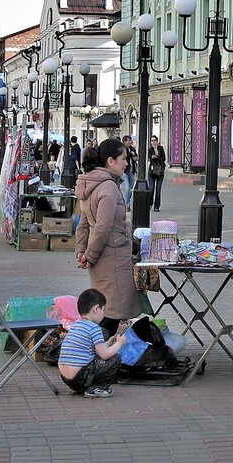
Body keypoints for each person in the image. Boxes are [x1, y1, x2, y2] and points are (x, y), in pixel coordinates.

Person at [75, 139, 142, 338]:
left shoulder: (90, 183)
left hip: (102, 259)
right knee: (113, 312)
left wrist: (82, 251)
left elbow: (84, 223)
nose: (126, 163)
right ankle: (103, 355)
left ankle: (101, 353)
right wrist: (89, 256)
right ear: (110, 161)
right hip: (112, 258)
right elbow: (102, 228)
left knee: (104, 309)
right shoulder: (108, 187)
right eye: (123, 158)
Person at [58, 288, 128, 398]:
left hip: (66, 378)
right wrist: (119, 343)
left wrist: (109, 343)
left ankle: (76, 388)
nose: (103, 314)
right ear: (96, 309)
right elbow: (104, 355)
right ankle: (97, 388)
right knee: (115, 359)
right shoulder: (94, 328)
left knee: (95, 357)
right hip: (80, 377)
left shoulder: (77, 324)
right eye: (103, 310)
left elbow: (91, 349)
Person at [147, 135, 166, 212]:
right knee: (151, 189)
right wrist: (153, 157)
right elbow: (150, 157)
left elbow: (164, 158)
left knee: (158, 189)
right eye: (152, 140)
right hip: (152, 171)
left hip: (160, 171)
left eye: (155, 140)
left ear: (157, 141)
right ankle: (149, 203)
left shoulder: (161, 148)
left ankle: (157, 206)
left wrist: (157, 156)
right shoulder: (150, 149)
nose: (153, 142)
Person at [120, 135, 137, 211]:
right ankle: (126, 205)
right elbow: (124, 157)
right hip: (124, 171)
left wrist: (135, 157)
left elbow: (136, 157)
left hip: (132, 170)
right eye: (129, 140)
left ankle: (127, 203)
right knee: (126, 189)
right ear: (124, 141)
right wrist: (131, 154)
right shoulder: (122, 149)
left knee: (130, 190)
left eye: (130, 140)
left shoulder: (132, 149)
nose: (130, 142)